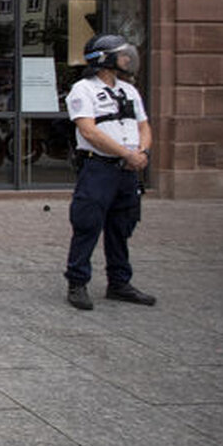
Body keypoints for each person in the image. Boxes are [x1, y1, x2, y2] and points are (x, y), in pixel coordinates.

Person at [64, 34, 155, 310]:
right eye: (122, 55)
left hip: (127, 171)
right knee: (87, 224)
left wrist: (142, 153)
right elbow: (88, 130)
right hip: (98, 168)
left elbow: (143, 126)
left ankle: (119, 282)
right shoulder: (83, 89)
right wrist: (126, 153)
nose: (128, 59)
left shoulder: (129, 91)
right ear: (105, 59)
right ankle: (77, 282)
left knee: (121, 226)